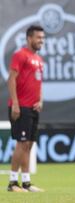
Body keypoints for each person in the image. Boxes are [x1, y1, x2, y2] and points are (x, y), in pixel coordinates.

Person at [7, 25, 45, 192]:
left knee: (29, 145)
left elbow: (39, 83)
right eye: (38, 38)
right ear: (29, 38)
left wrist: (41, 100)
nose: (41, 41)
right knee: (21, 144)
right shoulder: (20, 55)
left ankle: (26, 183)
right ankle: (13, 183)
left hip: (33, 108)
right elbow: (11, 79)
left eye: (43, 38)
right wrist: (15, 103)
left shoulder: (39, 59)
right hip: (21, 107)